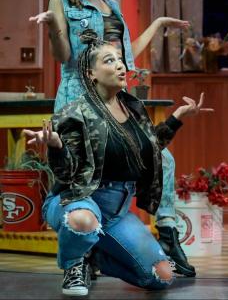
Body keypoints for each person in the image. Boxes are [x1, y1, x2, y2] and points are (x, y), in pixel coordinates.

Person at [28, 0, 197, 276]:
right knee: (81, 173)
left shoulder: (110, 4)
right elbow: (63, 55)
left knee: (161, 158)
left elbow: (127, 54)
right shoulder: (60, 1)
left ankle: (166, 231)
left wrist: (159, 23)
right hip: (79, 93)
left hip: (113, 96)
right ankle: (78, 257)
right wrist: (52, 27)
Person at [23, 39, 213, 296]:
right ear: (91, 74)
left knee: (161, 276)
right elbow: (67, 175)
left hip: (117, 211)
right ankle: (73, 266)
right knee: (83, 221)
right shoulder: (76, 112)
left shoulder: (133, 108)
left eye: (120, 59)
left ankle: (96, 255)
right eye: (109, 61)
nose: (120, 66)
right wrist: (56, 147)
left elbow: (150, 148)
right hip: (79, 199)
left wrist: (177, 118)